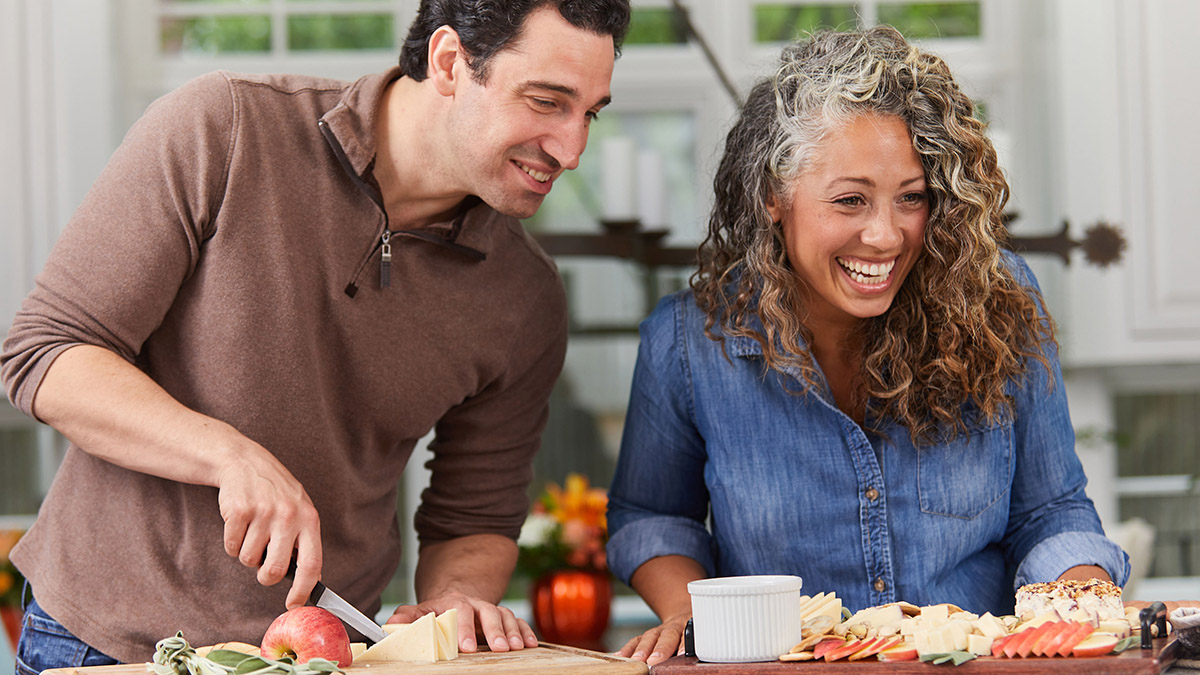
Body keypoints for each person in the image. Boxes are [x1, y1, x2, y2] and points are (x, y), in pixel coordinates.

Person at [0, 0, 630, 670]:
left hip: (324, 657)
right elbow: (47, 354)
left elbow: (473, 513)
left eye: (589, 112)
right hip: (105, 643)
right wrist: (227, 455)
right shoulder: (226, 128)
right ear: (449, 62)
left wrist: (455, 597)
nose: (572, 150)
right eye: (546, 101)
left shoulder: (525, 294)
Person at [606, 26, 1129, 665]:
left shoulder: (997, 303)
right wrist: (686, 609)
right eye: (850, 200)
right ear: (774, 196)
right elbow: (654, 516)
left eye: (911, 199)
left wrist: (1079, 594)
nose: (885, 237)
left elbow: (1050, 510)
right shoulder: (688, 343)